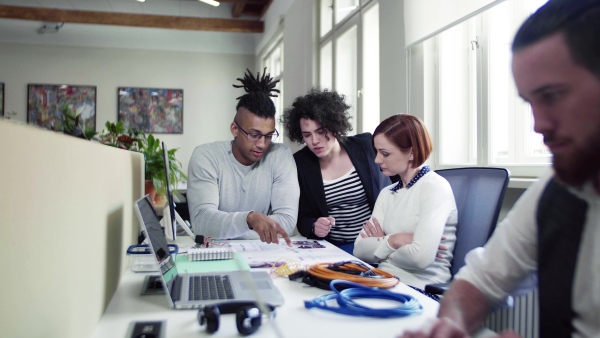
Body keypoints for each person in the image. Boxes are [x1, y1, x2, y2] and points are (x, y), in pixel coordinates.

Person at [401, 1, 600, 337]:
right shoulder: (556, 190)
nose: (538, 125)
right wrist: (452, 323)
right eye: (529, 102)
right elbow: (480, 280)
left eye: (552, 96)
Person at [187, 68, 299, 245]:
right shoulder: (206, 156)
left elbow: (287, 223)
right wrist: (249, 219)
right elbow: (202, 222)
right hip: (219, 256)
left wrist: (224, 231)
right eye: (254, 135)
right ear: (234, 129)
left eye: (269, 135)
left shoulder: (280, 155)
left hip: (264, 257)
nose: (262, 144)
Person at [280, 88, 393, 254]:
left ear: (333, 126)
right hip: (335, 249)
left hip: (377, 242)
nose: (314, 141)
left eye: (320, 131)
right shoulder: (300, 164)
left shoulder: (366, 144)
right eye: (307, 135)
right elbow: (302, 217)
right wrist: (314, 226)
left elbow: (400, 184)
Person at [354, 114, 457, 289]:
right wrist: (395, 240)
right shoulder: (387, 193)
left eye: (385, 153)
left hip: (420, 288)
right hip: (381, 280)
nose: (377, 160)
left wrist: (380, 247)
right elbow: (359, 250)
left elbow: (420, 258)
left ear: (411, 152)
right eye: (377, 152)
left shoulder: (434, 187)